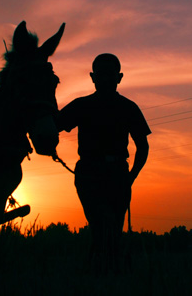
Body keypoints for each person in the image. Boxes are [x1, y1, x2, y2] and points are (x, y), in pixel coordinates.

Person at [57, 53, 151, 273]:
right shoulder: (82, 105)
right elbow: (55, 124)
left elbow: (143, 147)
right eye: (101, 74)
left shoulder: (129, 108)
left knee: (111, 227)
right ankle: (106, 270)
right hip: (89, 173)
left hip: (118, 174)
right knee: (100, 222)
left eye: (110, 75)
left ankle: (102, 270)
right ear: (92, 77)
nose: (106, 79)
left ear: (119, 77)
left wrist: (131, 176)